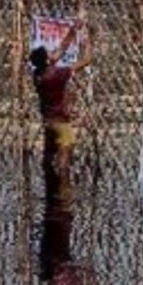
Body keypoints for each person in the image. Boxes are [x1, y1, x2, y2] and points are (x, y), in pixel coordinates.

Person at [29, 19, 93, 178]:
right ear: (47, 60)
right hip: (61, 123)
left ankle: (48, 191)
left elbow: (61, 50)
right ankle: (62, 193)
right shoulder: (56, 75)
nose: (52, 53)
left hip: (48, 122)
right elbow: (86, 61)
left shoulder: (38, 74)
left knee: (48, 159)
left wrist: (72, 30)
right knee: (64, 160)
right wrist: (90, 40)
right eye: (49, 53)